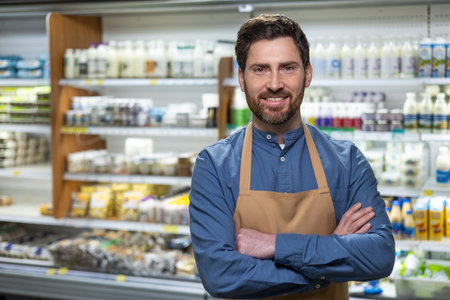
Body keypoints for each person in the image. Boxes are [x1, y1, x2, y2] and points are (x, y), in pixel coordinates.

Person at [189, 14, 395, 299]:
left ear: (307, 74)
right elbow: (221, 275)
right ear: (241, 78)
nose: (275, 83)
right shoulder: (215, 164)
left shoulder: (347, 161)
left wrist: (276, 246)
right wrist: (328, 263)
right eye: (260, 69)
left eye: (287, 68)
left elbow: (379, 256)